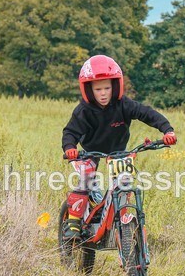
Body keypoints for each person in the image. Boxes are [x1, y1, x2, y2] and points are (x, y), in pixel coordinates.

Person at [61, 54, 177, 238]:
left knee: (124, 183)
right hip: (90, 151)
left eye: (107, 88)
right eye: (98, 89)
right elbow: (71, 131)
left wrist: (167, 130)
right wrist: (70, 148)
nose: (103, 93)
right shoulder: (84, 110)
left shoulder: (124, 104)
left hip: (118, 152)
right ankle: (73, 223)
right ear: (88, 90)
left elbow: (147, 113)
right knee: (86, 179)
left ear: (115, 86)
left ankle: (120, 217)